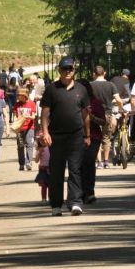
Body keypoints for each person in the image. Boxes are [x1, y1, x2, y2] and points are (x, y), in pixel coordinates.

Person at [40, 56, 91, 217]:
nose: (67, 72)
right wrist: (45, 132)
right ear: (59, 71)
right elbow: (45, 113)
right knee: (56, 171)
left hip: (76, 135)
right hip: (56, 136)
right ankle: (56, 204)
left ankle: (75, 202)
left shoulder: (81, 89)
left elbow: (85, 114)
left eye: (70, 69)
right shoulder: (52, 89)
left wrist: (87, 134)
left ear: (74, 70)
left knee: (75, 169)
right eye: (64, 69)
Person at [78, 79, 104, 204]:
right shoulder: (74, 101)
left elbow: (103, 121)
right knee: (78, 165)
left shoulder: (95, 102)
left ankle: (89, 192)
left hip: (93, 137)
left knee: (88, 163)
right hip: (76, 137)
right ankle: (79, 192)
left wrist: (91, 117)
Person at [91, 66, 117, 169]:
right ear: (104, 73)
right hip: (107, 114)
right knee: (106, 138)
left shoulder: (90, 85)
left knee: (96, 138)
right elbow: (118, 99)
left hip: (94, 115)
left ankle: (99, 162)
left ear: (94, 74)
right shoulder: (111, 85)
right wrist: (120, 107)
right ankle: (106, 161)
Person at [14, 87, 37, 171]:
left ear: (24, 95)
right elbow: (15, 116)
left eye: (19, 95)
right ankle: (21, 163)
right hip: (19, 128)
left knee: (29, 144)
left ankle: (28, 162)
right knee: (20, 146)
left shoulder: (31, 104)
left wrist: (28, 116)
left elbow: (34, 116)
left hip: (29, 127)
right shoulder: (17, 104)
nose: (18, 96)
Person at [34, 131, 50, 203]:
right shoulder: (39, 149)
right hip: (43, 169)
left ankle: (51, 198)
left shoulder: (51, 148)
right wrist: (39, 153)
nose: (42, 141)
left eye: (43, 139)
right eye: (40, 140)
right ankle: (44, 199)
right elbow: (36, 161)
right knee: (44, 185)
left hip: (51, 168)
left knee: (51, 185)